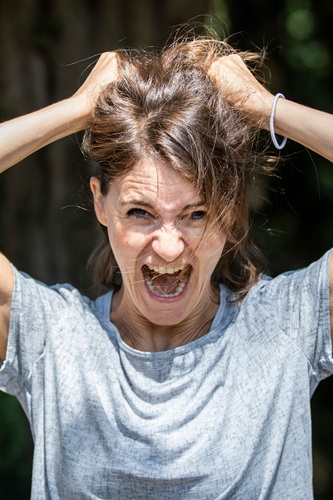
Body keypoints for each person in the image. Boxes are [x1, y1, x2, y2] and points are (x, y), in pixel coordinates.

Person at [0, 33, 332, 500]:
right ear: (100, 204)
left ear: (232, 210)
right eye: (141, 213)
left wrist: (265, 108)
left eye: (196, 214)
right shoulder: (50, 336)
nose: (170, 247)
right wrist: (76, 109)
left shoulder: (290, 324)